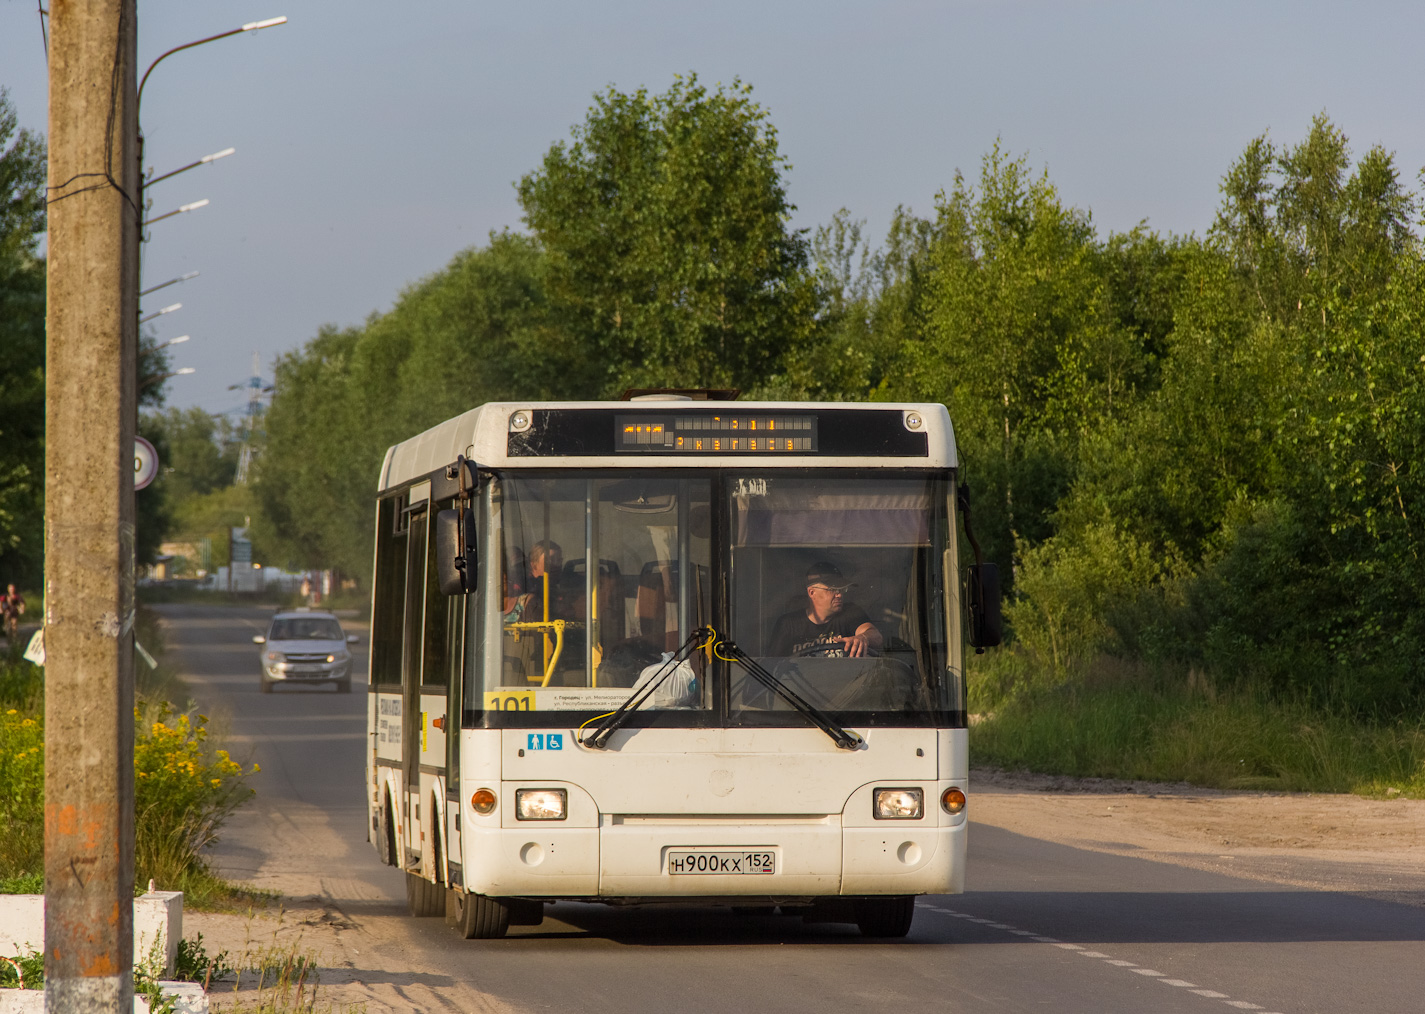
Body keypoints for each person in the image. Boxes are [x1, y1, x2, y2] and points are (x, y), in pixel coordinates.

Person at [767, 562, 883, 658]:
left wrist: (863, 638)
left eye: (842, 590)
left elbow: (875, 635)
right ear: (812, 592)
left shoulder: (850, 613)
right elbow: (773, 667)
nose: (839, 595)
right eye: (833, 589)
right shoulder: (789, 624)